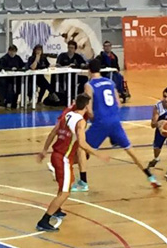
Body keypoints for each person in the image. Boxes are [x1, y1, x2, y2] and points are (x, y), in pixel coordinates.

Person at [75, 59, 158, 191]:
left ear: (89, 70)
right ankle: (151, 177)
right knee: (130, 149)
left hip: (101, 122)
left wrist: (93, 120)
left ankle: (83, 182)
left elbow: (89, 109)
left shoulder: (89, 85)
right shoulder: (110, 82)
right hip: (115, 121)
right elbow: (118, 103)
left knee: (81, 148)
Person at [34, 93, 108, 232]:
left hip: (56, 155)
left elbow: (53, 133)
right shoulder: (81, 122)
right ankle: (44, 221)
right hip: (63, 158)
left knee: (66, 184)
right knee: (65, 192)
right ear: (86, 106)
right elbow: (82, 143)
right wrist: (98, 154)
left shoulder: (67, 115)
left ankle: (56, 209)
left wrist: (44, 150)